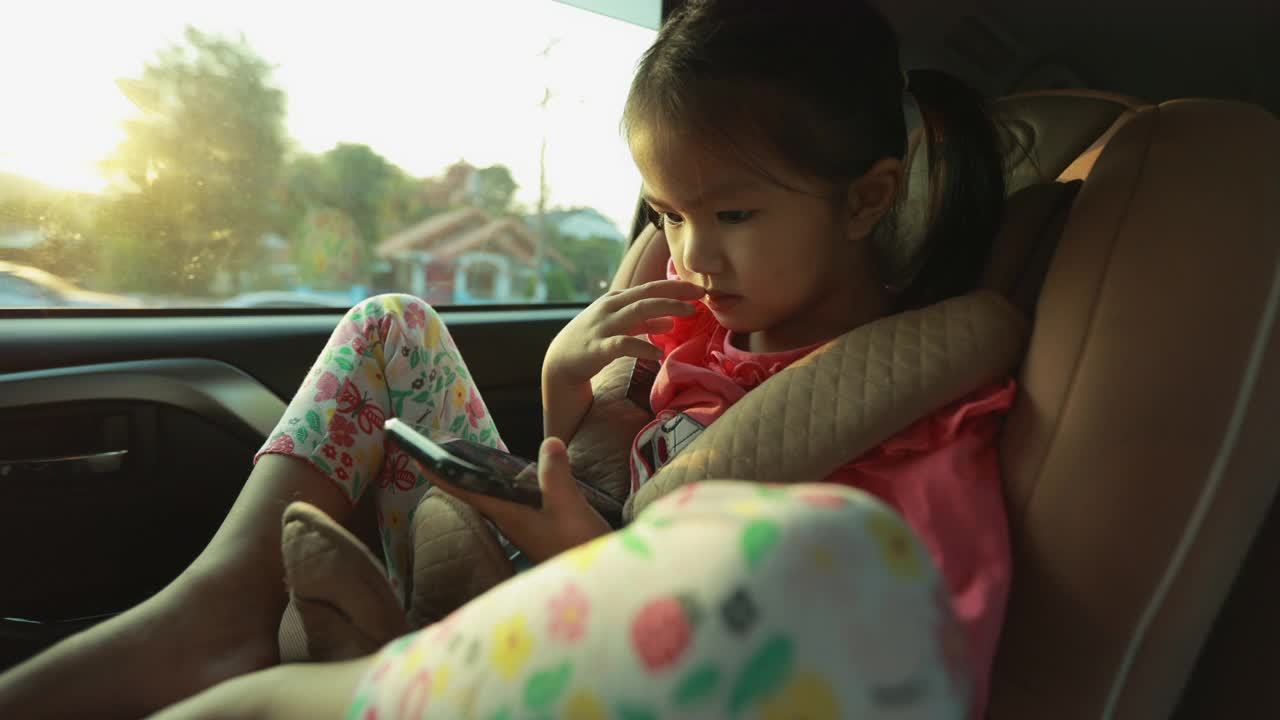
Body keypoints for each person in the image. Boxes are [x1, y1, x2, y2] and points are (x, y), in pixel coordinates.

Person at [0, 0, 1014, 718]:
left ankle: (389, 643)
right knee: (390, 319)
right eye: (666, 213)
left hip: (608, 637)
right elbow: (613, 475)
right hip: (553, 563)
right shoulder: (697, 325)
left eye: (732, 214)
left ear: (865, 200)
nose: (691, 255)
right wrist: (562, 395)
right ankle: (214, 607)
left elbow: (828, 645)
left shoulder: (903, 415)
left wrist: (586, 563)